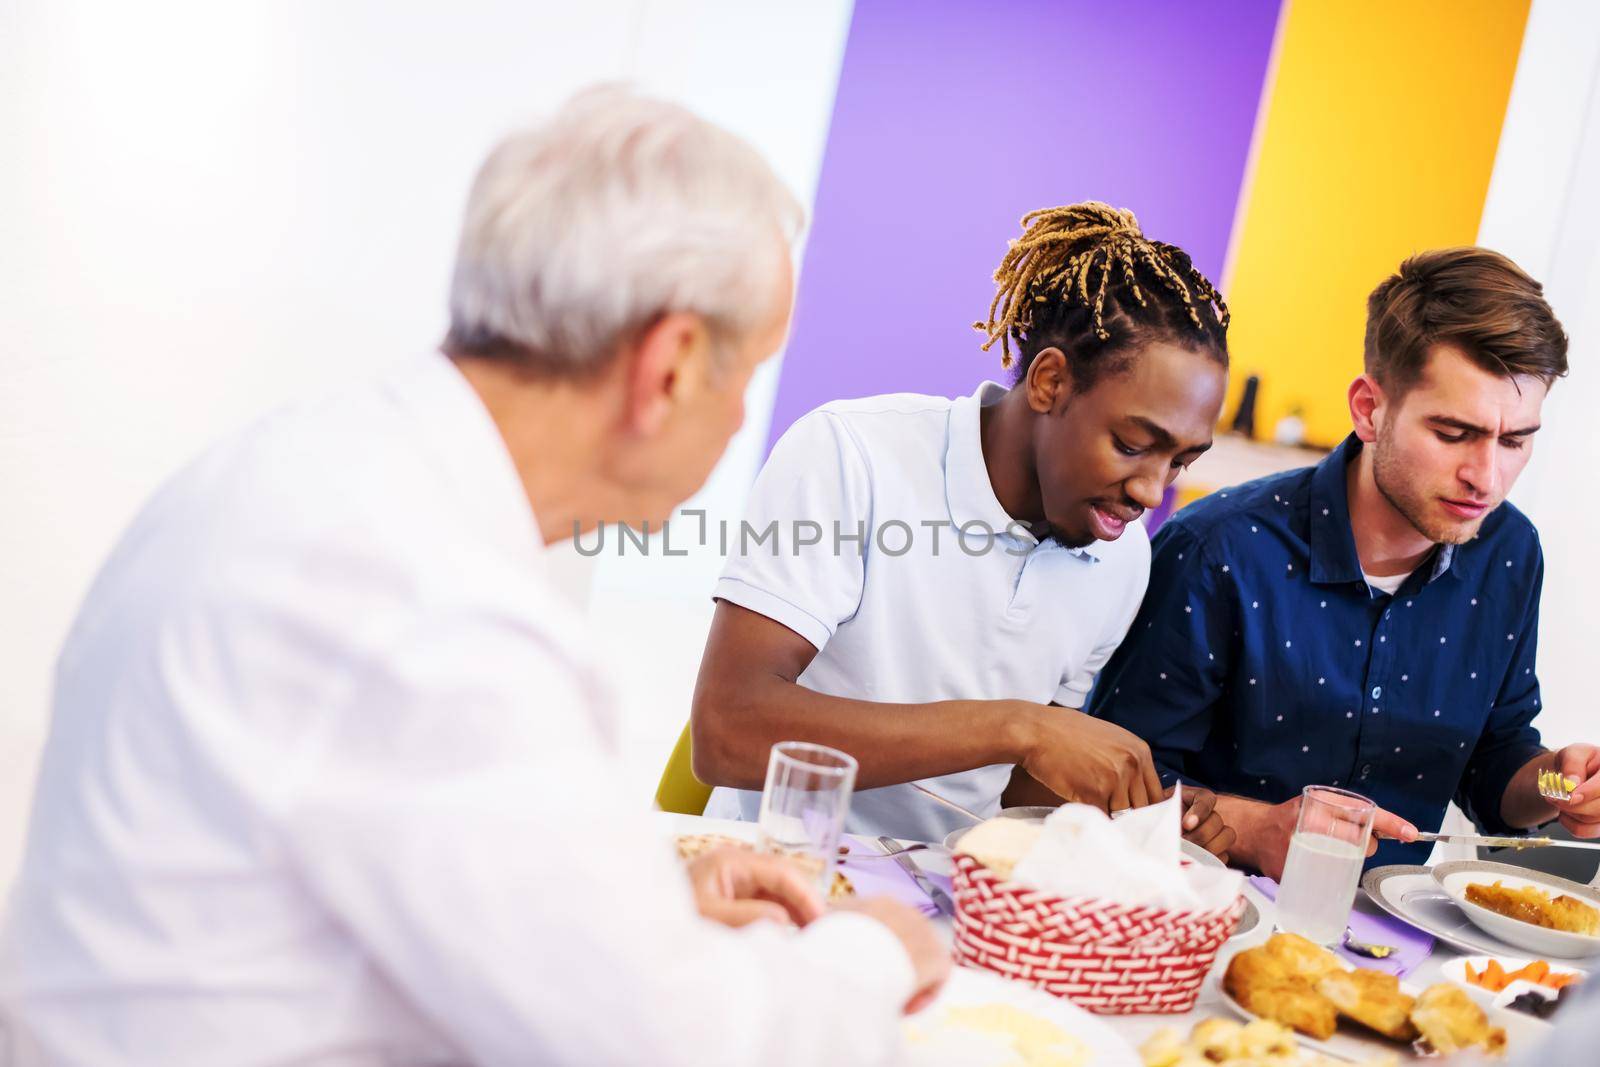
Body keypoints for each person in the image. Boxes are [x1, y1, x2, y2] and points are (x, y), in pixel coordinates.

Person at [0, 87, 947, 1067]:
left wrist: (634, 917)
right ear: (667, 367)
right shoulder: (432, 606)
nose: (743, 416)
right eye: (747, 373)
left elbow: (383, 859)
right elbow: (676, 1043)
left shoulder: (301, 465)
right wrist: (868, 956)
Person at [692, 204, 1237, 852]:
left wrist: (1130, 821)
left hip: (956, 909)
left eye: (1180, 460)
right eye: (1131, 444)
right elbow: (728, 729)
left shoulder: (1121, 558)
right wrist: (1017, 726)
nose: (1151, 491)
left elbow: (1019, 795)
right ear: (1050, 381)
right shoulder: (850, 455)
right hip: (771, 878)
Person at [1089, 247, 1600, 878]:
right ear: (1368, 409)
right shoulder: (1218, 549)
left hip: (1396, 942)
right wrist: (1254, 830)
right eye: (1452, 433)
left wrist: (1561, 786)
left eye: (1516, 440)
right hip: (1201, 913)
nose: (1485, 477)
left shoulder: (1510, 553)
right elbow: (1109, 784)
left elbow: (1496, 765)